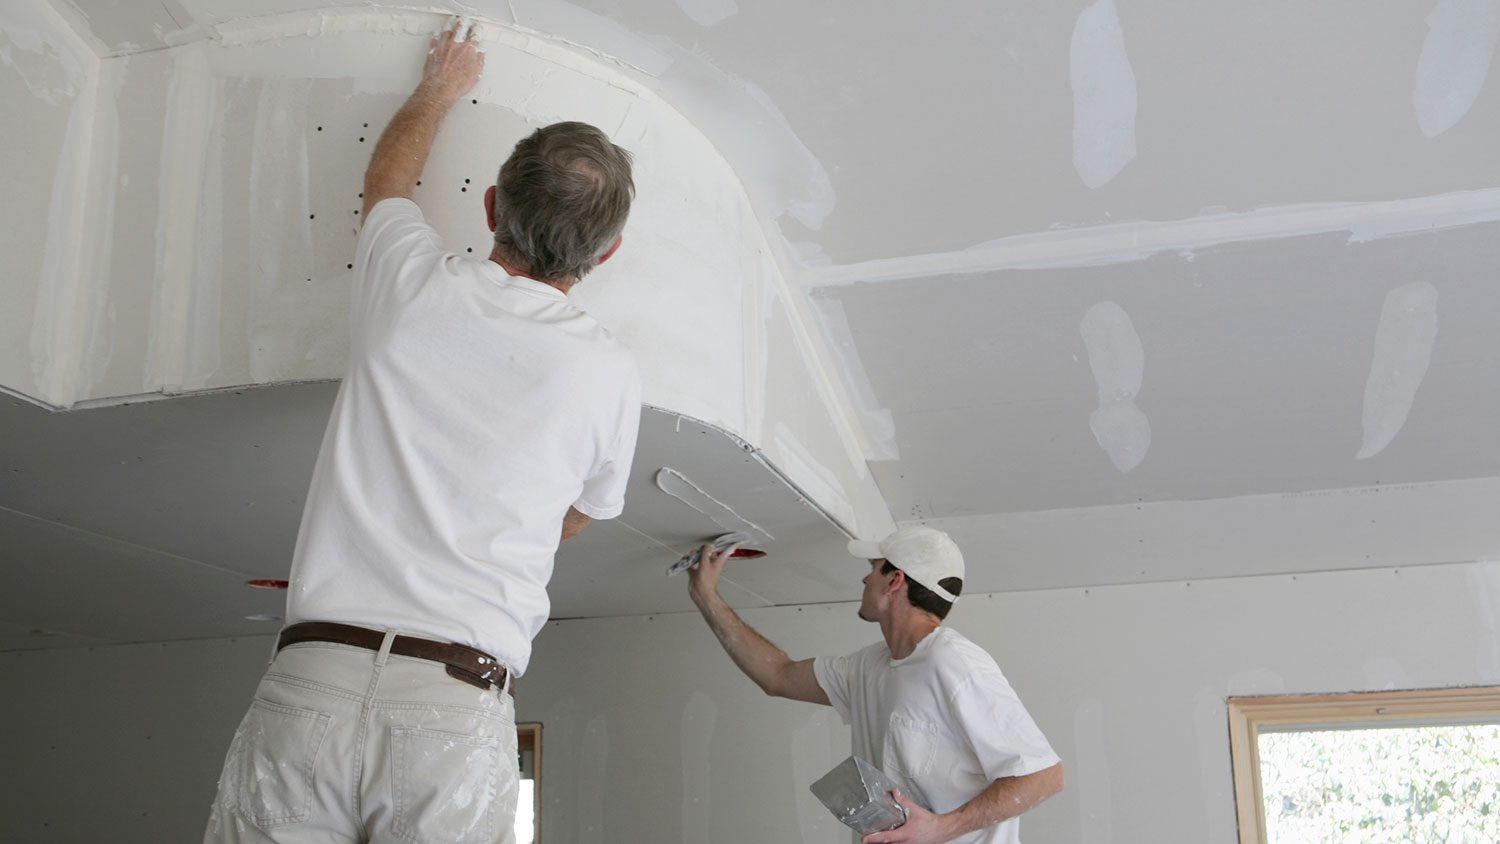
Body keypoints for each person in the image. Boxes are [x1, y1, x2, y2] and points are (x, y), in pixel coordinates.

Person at [205, 19, 641, 844]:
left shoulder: (409, 287)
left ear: (490, 206)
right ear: (607, 254)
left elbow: (390, 179)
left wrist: (441, 86)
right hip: (456, 705)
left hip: (312, 683)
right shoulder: (610, 372)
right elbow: (584, 513)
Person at [688, 526, 1064, 844]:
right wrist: (706, 596)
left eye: (874, 568)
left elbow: (1043, 776)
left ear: (894, 581)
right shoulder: (869, 666)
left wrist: (940, 828)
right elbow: (778, 676)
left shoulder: (952, 661)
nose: (865, 579)